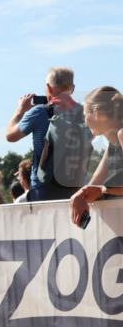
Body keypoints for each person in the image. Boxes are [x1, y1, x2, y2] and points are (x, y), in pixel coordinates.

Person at [6, 67, 80, 200]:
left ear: (49, 88)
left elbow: (11, 136)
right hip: (76, 185)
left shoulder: (39, 112)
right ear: (72, 88)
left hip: (44, 186)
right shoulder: (83, 113)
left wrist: (20, 111)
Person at [70, 87, 123, 227]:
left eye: (85, 114)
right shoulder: (113, 145)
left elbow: (99, 188)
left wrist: (102, 190)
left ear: (97, 112)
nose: (84, 121)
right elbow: (93, 185)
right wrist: (80, 194)